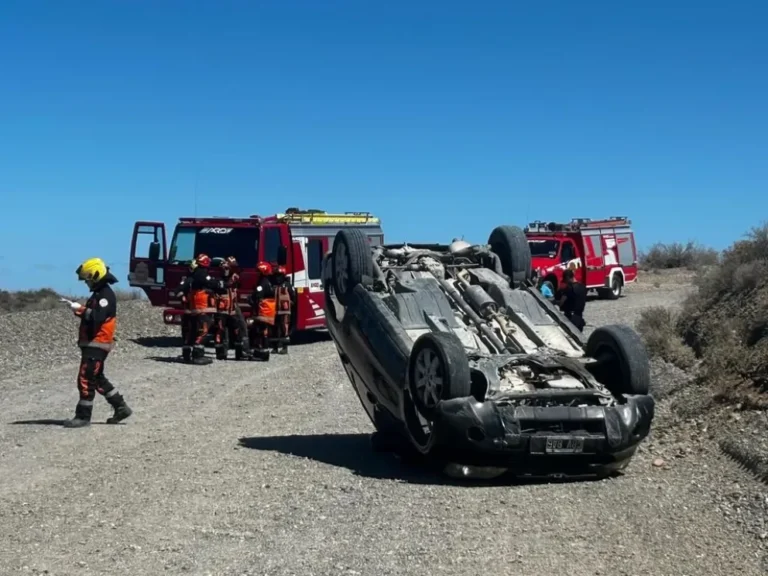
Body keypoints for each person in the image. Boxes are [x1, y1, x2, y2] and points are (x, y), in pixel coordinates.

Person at [61, 257, 132, 428]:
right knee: (97, 377)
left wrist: (80, 309)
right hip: (95, 344)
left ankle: (83, 417)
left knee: (85, 378)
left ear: (95, 275)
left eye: (87, 280)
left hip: (97, 344)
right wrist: (80, 309)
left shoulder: (104, 296)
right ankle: (121, 407)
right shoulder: (100, 294)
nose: (87, 283)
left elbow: (96, 318)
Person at [177, 253, 218, 364]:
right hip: (201, 307)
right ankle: (197, 355)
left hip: (192, 309)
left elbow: (180, 289)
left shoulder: (190, 278)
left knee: (191, 330)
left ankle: (187, 353)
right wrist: (218, 284)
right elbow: (211, 283)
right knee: (203, 330)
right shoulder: (202, 274)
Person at [213, 256, 252, 360]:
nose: (233, 269)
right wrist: (229, 279)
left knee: (241, 327)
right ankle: (222, 353)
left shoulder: (236, 275)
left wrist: (235, 278)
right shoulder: (220, 279)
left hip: (233, 305)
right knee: (222, 329)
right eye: (230, 267)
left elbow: (239, 284)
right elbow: (221, 286)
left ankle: (243, 351)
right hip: (222, 307)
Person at [248, 261, 276, 361]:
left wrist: (251, 299)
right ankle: (263, 353)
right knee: (264, 332)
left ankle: (261, 353)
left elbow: (258, 297)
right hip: (267, 313)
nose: (257, 274)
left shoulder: (262, 283)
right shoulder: (268, 282)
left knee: (260, 332)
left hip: (263, 312)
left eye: (258, 272)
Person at [270, 265, 295, 355]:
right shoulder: (272, 285)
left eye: (279, 275)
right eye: (276, 275)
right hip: (274, 310)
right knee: (274, 329)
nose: (277, 278)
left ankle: (285, 348)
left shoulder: (287, 285)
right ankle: (275, 347)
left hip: (284, 311)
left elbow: (293, 296)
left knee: (285, 328)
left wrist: (290, 304)